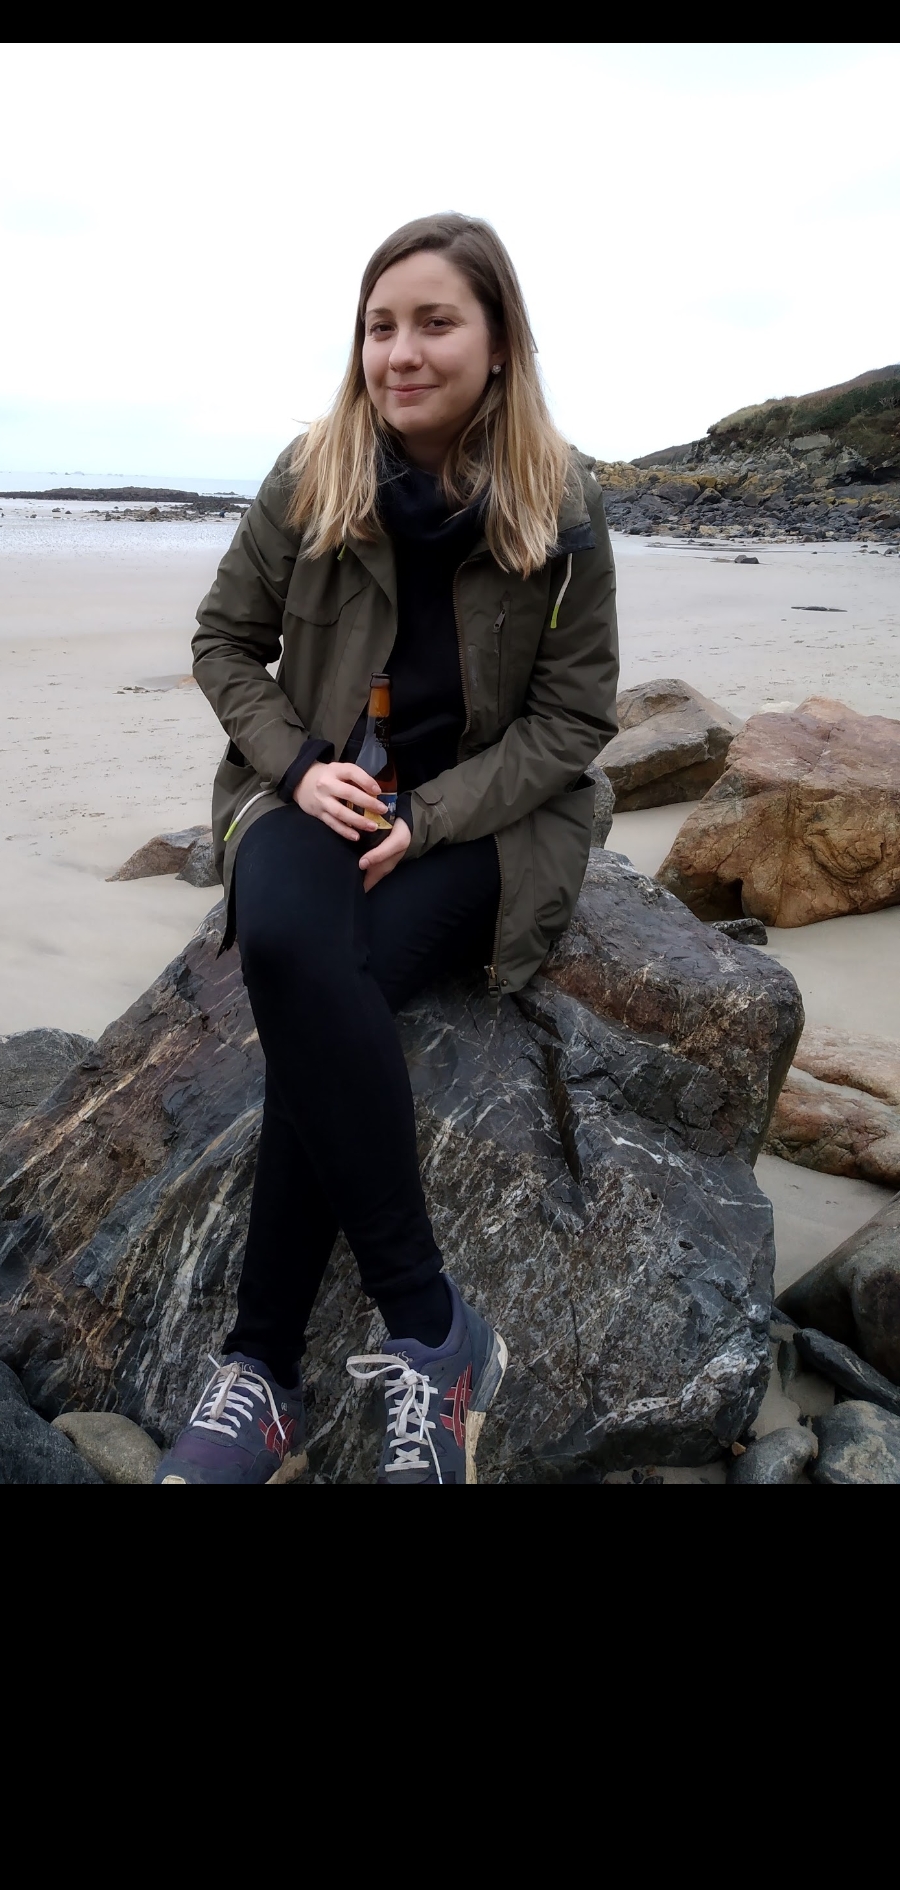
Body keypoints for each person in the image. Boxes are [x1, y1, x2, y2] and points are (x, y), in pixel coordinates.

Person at [155, 214, 619, 1486]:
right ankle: (430, 1325)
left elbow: (575, 720)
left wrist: (434, 816)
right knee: (294, 950)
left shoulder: (561, 506)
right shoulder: (311, 477)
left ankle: (262, 1369)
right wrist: (299, 767)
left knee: (330, 998)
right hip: (314, 793)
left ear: (499, 340)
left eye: (434, 323)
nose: (400, 352)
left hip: (484, 816)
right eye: (380, 326)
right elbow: (221, 643)